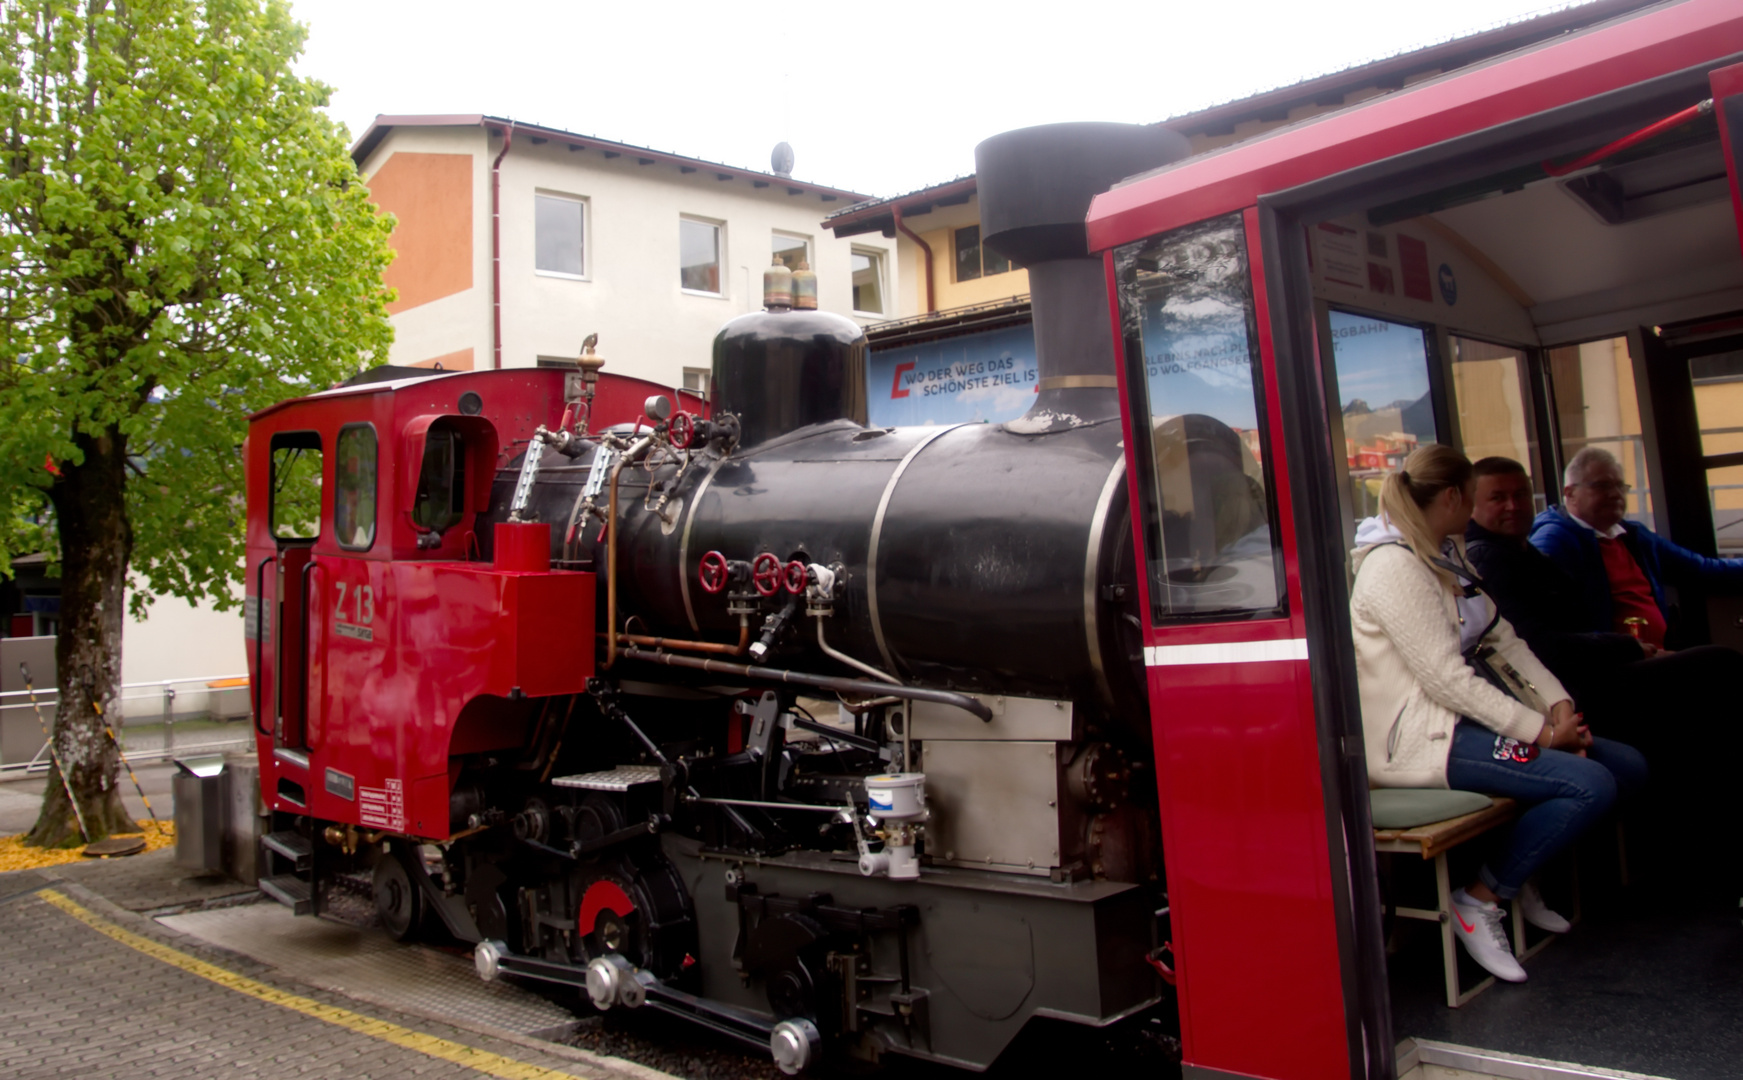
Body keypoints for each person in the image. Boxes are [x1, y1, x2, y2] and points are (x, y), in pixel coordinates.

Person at [1351, 445, 1647, 983]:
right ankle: (1480, 899)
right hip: (1423, 739)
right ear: (1452, 496)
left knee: (1625, 764)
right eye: (1474, 498)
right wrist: (1541, 733)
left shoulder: (1447, 550)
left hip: (1472, 724)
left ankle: (1520, 866)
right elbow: (1447, 679)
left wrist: (1559, 705)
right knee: (1590, 785)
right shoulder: (1393, 566)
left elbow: (1503, 640)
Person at [1531, 447, 1743, 649]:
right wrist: (1624, 650)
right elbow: (1555, 625)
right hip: (1611, 665)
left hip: (1656, 655)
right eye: (1602, 486)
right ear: (1570, 493)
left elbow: (1701, 569)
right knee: (1721, 661)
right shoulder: (1554, 541)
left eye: (1620, 486)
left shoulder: (1634, 536)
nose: (1615, 494)